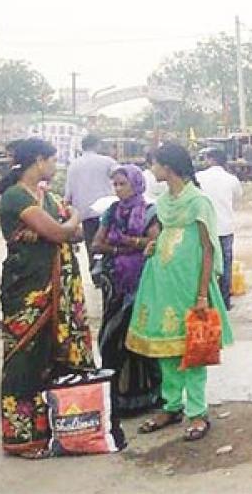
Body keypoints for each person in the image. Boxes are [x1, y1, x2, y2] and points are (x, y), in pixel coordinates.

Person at [0, 139, 96, 457]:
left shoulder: (46, 198)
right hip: (27, 291)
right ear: (39, 161)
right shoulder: (15, 197)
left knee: (50, 358)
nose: (55, 166)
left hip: (55, 289)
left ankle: (52, 427)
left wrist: (66, 226)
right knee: (23, 361)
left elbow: (68, 233)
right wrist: (76, 216)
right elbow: (61, 232)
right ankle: (20, 438)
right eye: (53, 160)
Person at [129, 143, 234, 442]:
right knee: (166, 346)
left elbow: (208, 248)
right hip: (161, 282)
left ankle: (198, 412)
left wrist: (203, 294)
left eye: (155, 164)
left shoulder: (199, 202)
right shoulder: (164, 200)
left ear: (168, 167)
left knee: (194, 349)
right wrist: (154, 243)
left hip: (189, 283)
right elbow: (165, 231)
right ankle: (171, 405)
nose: (152, 169)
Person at [91, 165, 162, 416]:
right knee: (112, 340)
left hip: (141, 281)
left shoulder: (150, 211)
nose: (119, 189)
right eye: (116, 185)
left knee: (139, 339)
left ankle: (147, 397)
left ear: (136, 184)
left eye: (123, 184)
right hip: (115, 283)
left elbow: (155, 243)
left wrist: (128, 242)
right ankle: (117, 398)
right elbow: (96, 243)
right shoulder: (111, 211)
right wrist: (125, 249)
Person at [195, 149, 243, 311]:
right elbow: (237, 197)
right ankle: (224, 301)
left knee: (204, 264)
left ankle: (206, 298)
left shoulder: (199, 177)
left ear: (211, 159)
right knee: (225, 265)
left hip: (204, 227)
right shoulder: (231, 179)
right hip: (225, 227)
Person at [65, 134, 118, 268]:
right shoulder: (107, 162)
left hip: (85, 213)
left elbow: (68, 193)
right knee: (109, 242)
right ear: (97, 145)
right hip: (107, 210)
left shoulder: (73, 165)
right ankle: (109, 271)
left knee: (92, 245)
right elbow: (123, 177)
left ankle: (95, 275)